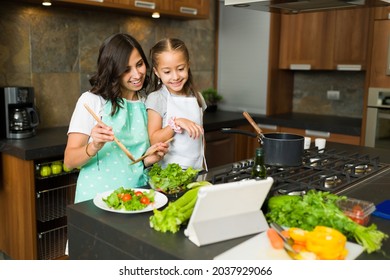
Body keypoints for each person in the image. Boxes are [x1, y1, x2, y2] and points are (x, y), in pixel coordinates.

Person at [64, 33, 169, 204]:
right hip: (96, 199)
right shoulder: (92, 101)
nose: (136, 74)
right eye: (126, 69)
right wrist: (94, 146)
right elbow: (69, 161)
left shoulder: (145, 103)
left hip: (136, 196)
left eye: (139, 64)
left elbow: (132, 162)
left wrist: (148, 159)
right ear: (113, 71)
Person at [145, 38, 207, 171]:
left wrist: (202, 165)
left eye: (180, 69)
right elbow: (154, 141)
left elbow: (200, 138)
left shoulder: (197, 97)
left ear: (188, 65)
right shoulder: (156, 99)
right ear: (157, 72)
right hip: (168, 174)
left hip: (197, 170)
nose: (175, 77)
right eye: (167, 72)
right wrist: (176, 123)